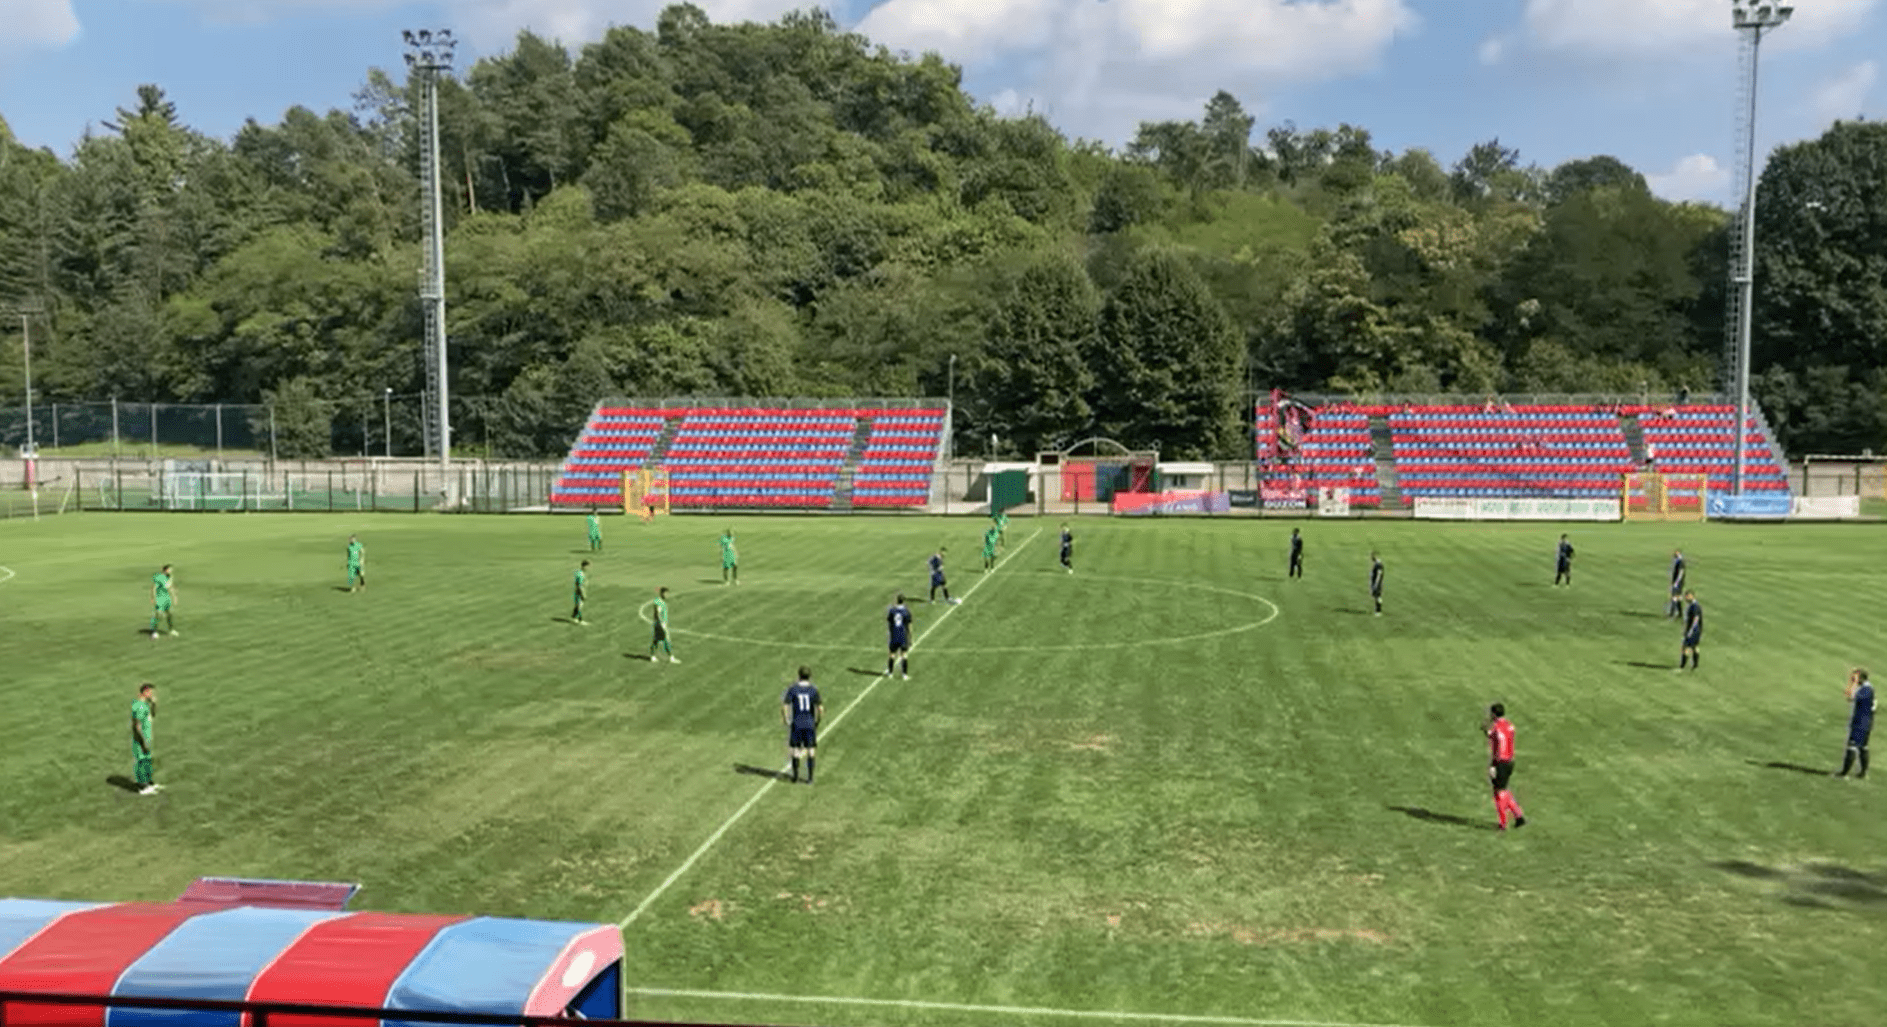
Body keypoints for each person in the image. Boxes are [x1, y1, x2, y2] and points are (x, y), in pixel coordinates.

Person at [1484, 703, 1527, 831]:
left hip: (1500, 762)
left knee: (1499, 792)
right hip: (1510, 761)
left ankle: (1502, 823)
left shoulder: (1496, 728)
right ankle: (1519, 817)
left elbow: (1497, 742)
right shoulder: (1509, 725)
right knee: (1504, 789)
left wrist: (1493, 764)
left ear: (1493, 714)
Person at [782, 667, 822, 784]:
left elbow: (785, 706)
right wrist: (817, 721)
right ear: (809, 676)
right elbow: (820, 708)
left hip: (797, 723)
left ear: (799, 675)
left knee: (795, 750)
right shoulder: (813, 690)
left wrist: (786, 719)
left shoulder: (793, 689)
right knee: (811, 750)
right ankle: (810, 778)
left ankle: (795, 776)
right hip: (809, 723)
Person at [1839, 668, 1874, 779]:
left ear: (1861, 678)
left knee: (1852, 746)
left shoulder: (1866, 690)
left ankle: (1844, 774)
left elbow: (1850, 696)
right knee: (1863, 747)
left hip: (1861, 723)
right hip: (1866, 722)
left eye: (1855, 678)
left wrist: (1853, 683)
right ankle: (1863, 773)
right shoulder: (1868, 688)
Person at [131, 682, 161, 796]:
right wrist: (143, 743)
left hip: (147, 739)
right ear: (145, 692)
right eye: (150, 692)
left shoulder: (145, 705)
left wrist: (154, 704)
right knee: (141, 762)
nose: (152, 694)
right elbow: (137, 726)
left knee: (147, 761)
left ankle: (149, 784)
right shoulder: (138, 706)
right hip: (140, 740)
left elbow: (151, 716)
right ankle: (142, 787)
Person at [886, 593, 913, 680]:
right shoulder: (906, 612)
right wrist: (910, 636)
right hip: (903, 635)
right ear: (904, 601)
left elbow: (889, 623)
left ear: (897, 600)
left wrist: (891, 632)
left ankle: (890, 673)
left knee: (892, 654)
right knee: (904, 654)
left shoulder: (892, 611)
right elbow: (909, 625)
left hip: (894, 635)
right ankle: (904, 675)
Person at [650, 586, 678, 663]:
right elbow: (658, 613)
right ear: (662, 593)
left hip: (659, 624)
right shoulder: (659, 602)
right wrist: (662, 624)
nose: (667, 595)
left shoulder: (660, 601)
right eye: (666, 593)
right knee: (666, 640)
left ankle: (652, 656)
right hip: (660, 624)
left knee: (656, 640)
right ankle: (671, 657)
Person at [149, 565, 177, 639]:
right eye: (170, 570)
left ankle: (171, 630)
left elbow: (170, 588)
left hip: (167, 598)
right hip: (160, 599)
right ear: (166, 570)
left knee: (170, 614)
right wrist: (153, 598)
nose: (171, 571)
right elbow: (154, 588)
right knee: (159, 615)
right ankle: (154, 632)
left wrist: (174, 596)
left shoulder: (169, 578)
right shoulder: (159, 577)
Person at [1678, 590, 1703, 670]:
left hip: (1693, 630)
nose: (1686, 598)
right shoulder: (1694, 605)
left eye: (1687, 596)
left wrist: (1689, 631)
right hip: (1697, 630)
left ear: (1692, 596)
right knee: (1695, 647)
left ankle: (1682, 666)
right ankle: (1695, 665)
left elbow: (1695, 620)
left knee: (1685, 647)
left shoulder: (1694, 606)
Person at [1667, 549, 1686, 619]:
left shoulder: (1681, 562)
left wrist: (1676, 582)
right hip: (1678, 582)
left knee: (1674, 597)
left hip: (1678, 583)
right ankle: (1680, 613)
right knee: (1678, 597)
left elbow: (1681, 573)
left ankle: (1672, 613)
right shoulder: (1678, 561)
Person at [571, 561, 590, 625]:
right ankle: (580, 620)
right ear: (584, 566)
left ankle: (574, 617)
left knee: (578, 605)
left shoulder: (581, 573)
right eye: (587, 566)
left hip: (579, 590)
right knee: (580, 606)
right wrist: (583, 594)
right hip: (580, 591)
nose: (588, 568)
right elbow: (580, 585)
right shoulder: (581, 574)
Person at [1369, 551, 1384, 616]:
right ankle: (1377, 610)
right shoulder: (1376, 564)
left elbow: (1379, 575)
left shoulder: (1379, 565)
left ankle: (1378, 611)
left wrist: (1376, 584)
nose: (1371, 558)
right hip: (1376, 583)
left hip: (1377, 583)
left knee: (1378, 596)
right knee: (1376, 596)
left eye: (1372, 557)